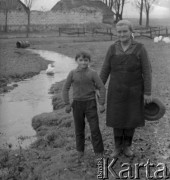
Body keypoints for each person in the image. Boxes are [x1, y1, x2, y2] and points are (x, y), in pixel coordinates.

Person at [100, 20, 152, 157]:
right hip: (116, 90)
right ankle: (117, 147)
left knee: (131, 118)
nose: (122, 34)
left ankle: (127, 146)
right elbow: (105, 69)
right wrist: (99, 87)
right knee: (116, 118)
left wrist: (147, 92)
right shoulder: (112, 48)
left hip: (134, 91)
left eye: (125, 31)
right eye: (119, 32)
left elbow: (147, 71)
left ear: (131, 32)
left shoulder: (140, 48)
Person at [62, 51, 106, 162]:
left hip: (90, 103)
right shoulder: (72, 73)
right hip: (77, 105)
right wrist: (67, 103)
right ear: (76, 60)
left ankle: (99, 152)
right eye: (80, 60)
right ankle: (80, 151)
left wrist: (101, 103)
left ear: (89, 61)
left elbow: (101, 87)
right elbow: (65, 88)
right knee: (79, 129)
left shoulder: (93, 73)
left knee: (95, 128)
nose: (83, 62)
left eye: (86, 60)